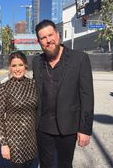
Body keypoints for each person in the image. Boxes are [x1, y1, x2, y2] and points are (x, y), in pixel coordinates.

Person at [32, 19, 94, 168]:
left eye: (50, 35)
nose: (48, 40)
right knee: (45, 165)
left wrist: (85, 129)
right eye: (43, 38)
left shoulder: (80, 59)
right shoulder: (36, 62)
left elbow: (87, 96)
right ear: (39, 42)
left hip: (68, 127)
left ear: (58, 34)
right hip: (42, 127)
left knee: (65, 165)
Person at [0, 51, 38, 168]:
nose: (17, 69)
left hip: (32, 142)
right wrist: (3, 144)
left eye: (20, 65)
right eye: (14, 65)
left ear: (25, 66)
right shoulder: (4, 88)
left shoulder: (34, 85)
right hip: (14, 143)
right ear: (10, 68)